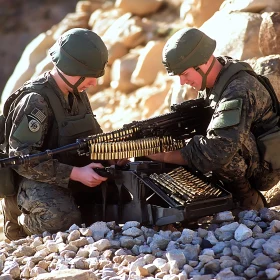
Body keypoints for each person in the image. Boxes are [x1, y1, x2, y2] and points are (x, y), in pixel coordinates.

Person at [0, 28, 125, 240]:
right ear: (72, 68)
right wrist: (75, 174)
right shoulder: (35, 101)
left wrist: (110, 155)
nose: (94, 83)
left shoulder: (76, 92)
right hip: (32, 182)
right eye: (90, 77)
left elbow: (93, 136)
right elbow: (22, 161)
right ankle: (20, 221)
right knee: (61, 219)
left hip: (71, 175)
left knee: (120, 197)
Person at [147, 27, 280, 211]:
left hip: (267, 168)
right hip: (254, 153)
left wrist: (164, 155)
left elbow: (218, 150)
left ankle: (247, 199)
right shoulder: (217, 78)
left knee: (218, 147)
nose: (183, 82)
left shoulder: (238, 89)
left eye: (185, 74)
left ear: (203, 63)